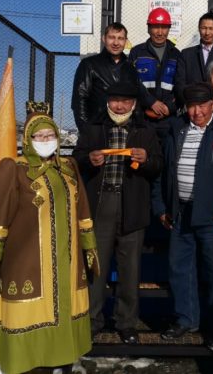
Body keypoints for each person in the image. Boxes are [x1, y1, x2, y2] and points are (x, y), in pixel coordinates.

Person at [0, 102, 99, 374]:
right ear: (27, 140)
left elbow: (84, 212)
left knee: (64, 328)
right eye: (39, 136)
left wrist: (89, 250)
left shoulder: (69, 167)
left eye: (50, 136)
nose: (45, 141)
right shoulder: (13, 169)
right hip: (28, 265)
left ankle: (61, 361)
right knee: (31, 338)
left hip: (67, 266)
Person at [153, 82, 213, 350]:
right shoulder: (175, 131)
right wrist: (161, 207)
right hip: (180, 212)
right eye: (192, 106)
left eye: (203, 105)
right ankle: (186, 319)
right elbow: (162, 171)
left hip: (212, 217)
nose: (197, 112)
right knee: (179, 268)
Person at [73, 82, 163, 345]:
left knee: (130, 268)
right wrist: (89, 159)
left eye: (125, 101)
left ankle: (126, 323)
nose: (120, 106)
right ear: (107, 102)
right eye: (115, 100)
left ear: (134, 104)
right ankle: (92, 320)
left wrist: (146, 159)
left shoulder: (145, 130)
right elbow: (76, 159)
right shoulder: (94, 128)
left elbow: (158, 165)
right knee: (96, 267)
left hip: (132, 204)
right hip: (101, 205)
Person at [71, 22, 141, 133]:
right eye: (111, 37)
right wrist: (87, 132)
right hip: (97, 129)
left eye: (120, 38)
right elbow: (79, 100)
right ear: (104, 39)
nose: (116, 43)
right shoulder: (89, 64)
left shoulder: (131, 68)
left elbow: (136, 101)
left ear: (126, 41)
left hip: (126, 130)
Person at [128, 7, 184, 135]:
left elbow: (180, 85)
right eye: (155, 27)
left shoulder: (176, 55)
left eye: (164, 27)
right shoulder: (136, 53)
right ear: (148, 28)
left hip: (169, 120)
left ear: (169, 29)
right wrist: (151, 102)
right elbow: (131, 81)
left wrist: (169, 108)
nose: (160, 32)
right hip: (141, 118)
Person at [178, 12, 213, 100]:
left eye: (211, 28)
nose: (207, 32)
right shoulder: (186, 54)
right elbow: (180, 84)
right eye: (203, 28)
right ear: (199, 29)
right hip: (191, 105)